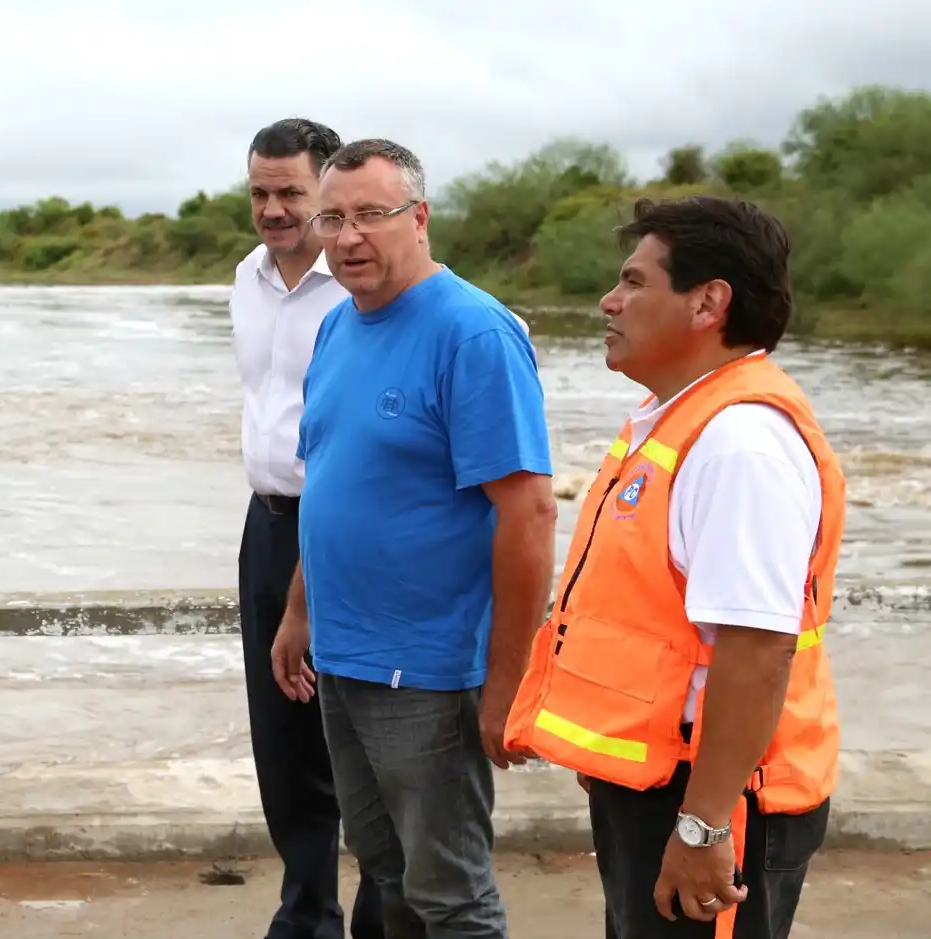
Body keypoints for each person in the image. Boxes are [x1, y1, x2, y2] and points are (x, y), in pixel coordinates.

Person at [504, 195, 843, 939]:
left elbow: (757, 649)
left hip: (713, 796)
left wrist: (702, 826)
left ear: (707, 303)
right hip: (661, 783)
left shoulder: (739, 443)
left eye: (633, 281)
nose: (609, 300)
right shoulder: (680, 418)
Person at [272, 138, 557, 939]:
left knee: (450, 895)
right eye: (333, 217)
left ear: (420, 218)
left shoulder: (473, 333)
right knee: (385, 871)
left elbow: (529, 512)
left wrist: (507, 683)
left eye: (372, 214)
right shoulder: (336, 327)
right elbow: (328, 483)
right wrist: (300, 610)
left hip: (430, 670)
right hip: (344, 656)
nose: (348, 236)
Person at [229, 117, 383, 939]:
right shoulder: (246, 279)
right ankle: (307, 913)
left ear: (325, 190)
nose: (274, 210)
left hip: (341, 529)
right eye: (260, 192)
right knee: (280, 740)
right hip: (265, 523)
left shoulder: (362, 285)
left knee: (354, 735)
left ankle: (380, 915)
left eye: (291, 191)